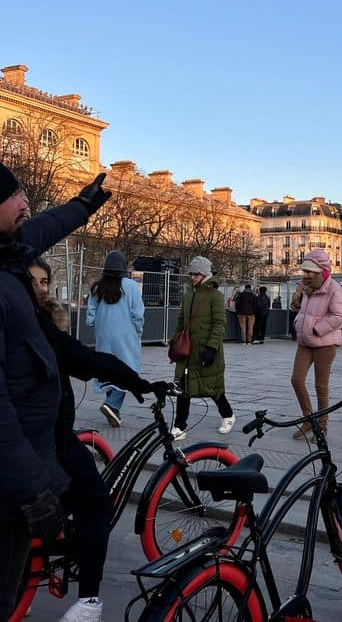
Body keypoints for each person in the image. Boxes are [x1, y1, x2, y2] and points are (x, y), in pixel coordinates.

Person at [0, 168, 111, 621]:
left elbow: (39, 228)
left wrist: (82, 207)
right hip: (11, 479)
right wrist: (31, 488)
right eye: (16, 196)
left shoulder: (8, 257)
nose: (25, 205)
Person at [29, 259, 160, 622]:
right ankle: (89, 603)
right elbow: (84, 358)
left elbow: (83, 350)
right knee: (97, 505)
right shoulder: (35, 324)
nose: (41, 287)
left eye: (45, 281)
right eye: (34, 281)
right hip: (50, 437)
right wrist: (139, 382)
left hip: (41, 428)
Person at [170, 256, 235, 439]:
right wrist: (174, 341)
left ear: (205, 274)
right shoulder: (189, 295)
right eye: (191, 273)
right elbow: (181, 321)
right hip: (188, 352)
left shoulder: (216, 296)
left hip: (206, 350)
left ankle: (228, 415)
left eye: (196, 274)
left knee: (213, 388)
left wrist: (212, 347)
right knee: (183, 389)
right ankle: (179, 427)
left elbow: (219, 324)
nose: (193, 277)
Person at [290, 249, 342, 440]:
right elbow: (303, 311)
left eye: (309, 272)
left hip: (325, 343)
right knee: (296, 380)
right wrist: (298, 321)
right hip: (305, 342)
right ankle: (308, 420)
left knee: (321, 386)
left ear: (320, 271)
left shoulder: (333, 288)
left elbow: (338, 316)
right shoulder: (306, 288)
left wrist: (317, 329)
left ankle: (322, 426)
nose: (305, 275)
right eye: (304, 271)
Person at [86, 250, 145, 428]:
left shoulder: (97, 287)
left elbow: (90, 315)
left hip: (104, 334)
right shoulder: (131, 286)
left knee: (108, 370)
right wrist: (138, 332)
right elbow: (138, 314)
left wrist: (96, 325)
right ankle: (111, 405)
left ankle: (114, 411)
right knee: (128, 371)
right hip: (125, 335)